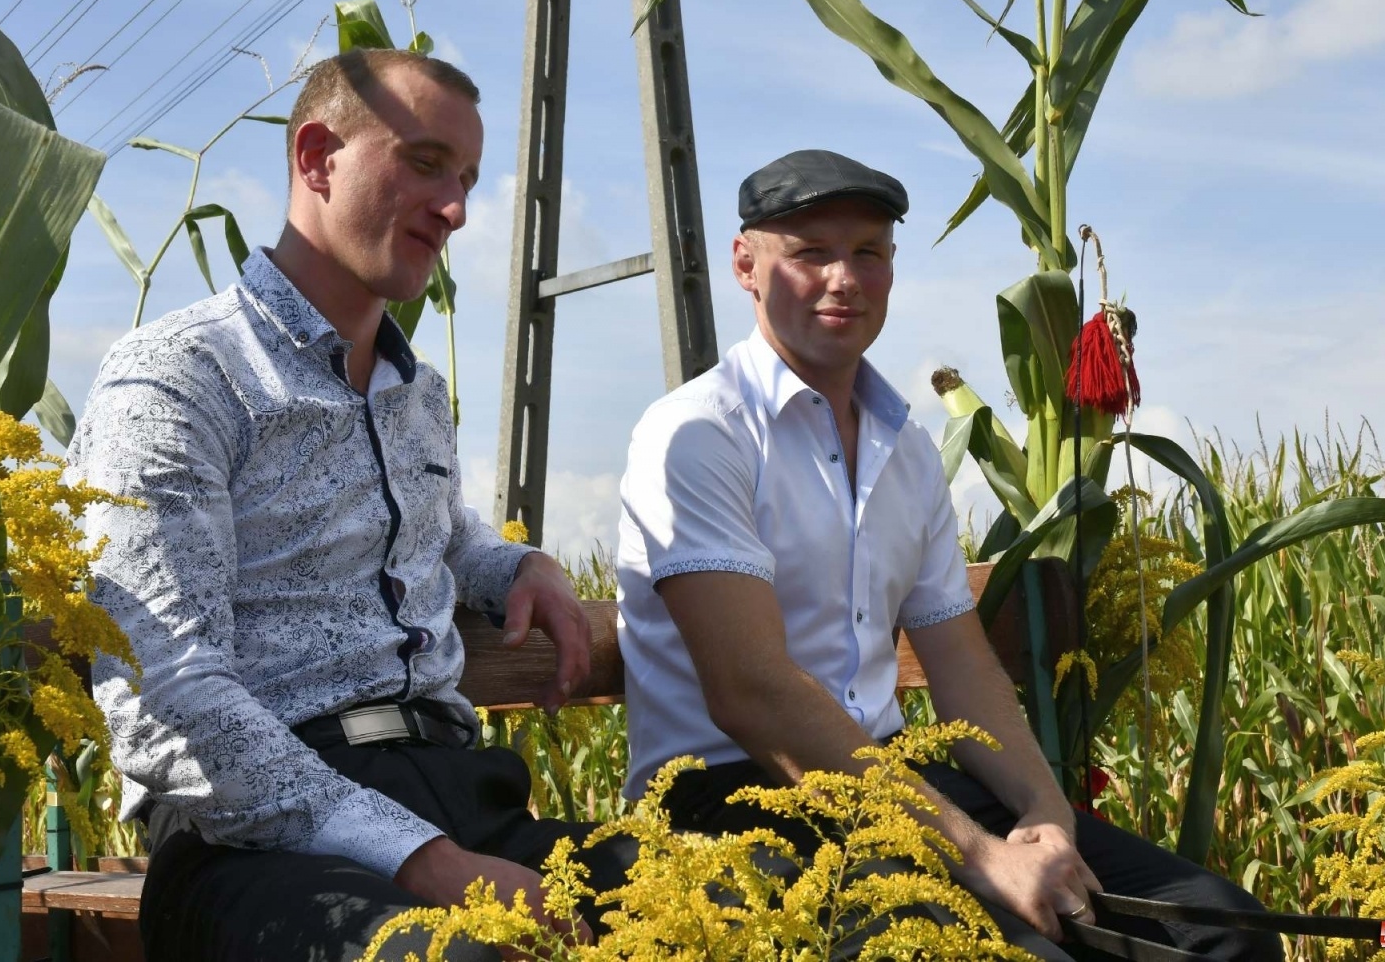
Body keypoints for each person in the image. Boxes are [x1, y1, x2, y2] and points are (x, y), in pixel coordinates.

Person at [615, 148, 1283, 962]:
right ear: (746, 266)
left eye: (868, 252)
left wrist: (1044, 816)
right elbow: (753, 695)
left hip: (898, 781)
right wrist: (982, 854)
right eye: (811, 253)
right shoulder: (697, 436)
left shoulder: (907, 451)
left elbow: (962, 667)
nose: (843, 278)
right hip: (740, 801)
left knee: (1222, 926)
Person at [70, 49, 632, 962]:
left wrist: (520, 566)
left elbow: (440, 535)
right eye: (424, 162)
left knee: (721, 906)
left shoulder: (420, 395)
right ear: (316, 157)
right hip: (258, 840)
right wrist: (422, 860)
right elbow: (165, 691)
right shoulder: (178, 380)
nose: (454, 208)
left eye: (465, 180)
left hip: (465, 793)